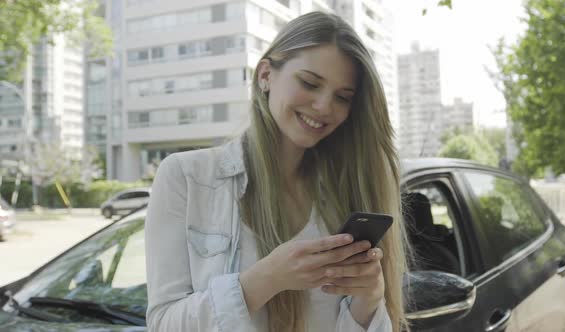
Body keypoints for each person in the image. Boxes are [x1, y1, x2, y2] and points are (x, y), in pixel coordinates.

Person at [145, 11, 409, 332]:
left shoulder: (344, 195)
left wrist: (368, 301)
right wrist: (265, 279)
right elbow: (163, 324)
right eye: (310, 83)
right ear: (266, 75)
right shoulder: (186, 176)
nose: (324, 106)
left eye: (342, 97)